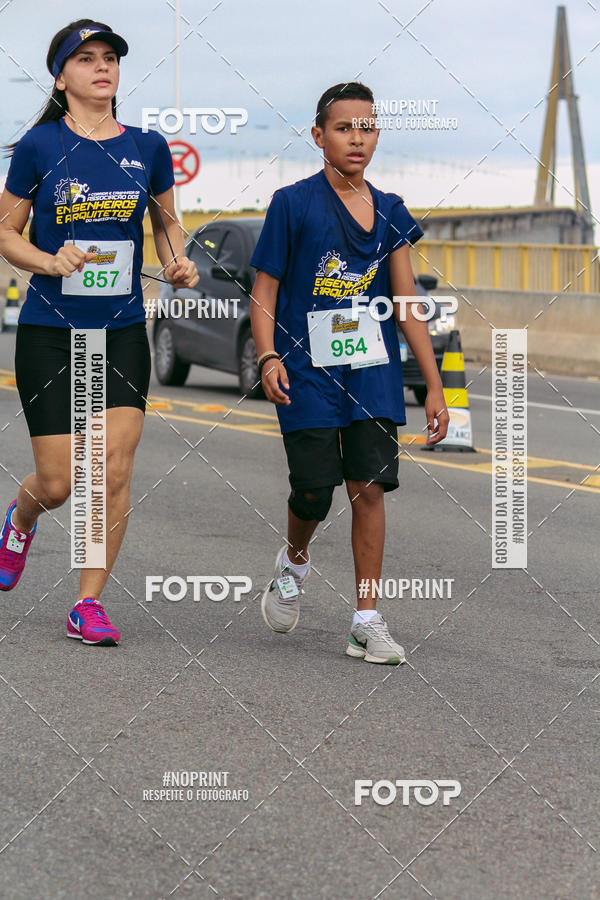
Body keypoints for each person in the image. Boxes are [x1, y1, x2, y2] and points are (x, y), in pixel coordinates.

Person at [0, 19, 198, 646]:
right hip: (51, 331)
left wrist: (177, 260)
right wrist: (47, 260)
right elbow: (5, 233)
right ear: (62, 77)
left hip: (120, 331)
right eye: (85, 59)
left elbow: (168, 226)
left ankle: (87, 602)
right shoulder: (38, 146)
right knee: (60, 483)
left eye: (109, 57)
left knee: (111, 469)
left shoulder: (147, 146)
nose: (102, 67)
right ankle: (21, 517)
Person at [250, 82, 449, 664]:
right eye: (343, 127)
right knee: (313, 491)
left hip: (372, 372)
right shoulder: (292, 203)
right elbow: (265, 289)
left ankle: (366, 619)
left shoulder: (390, 211)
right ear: (319, 136)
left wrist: (435, 383)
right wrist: (267, 356)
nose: (356, 138)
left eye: (366, 127)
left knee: (368, 488)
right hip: (306, 369)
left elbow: (407, 299)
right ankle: (294, 562)